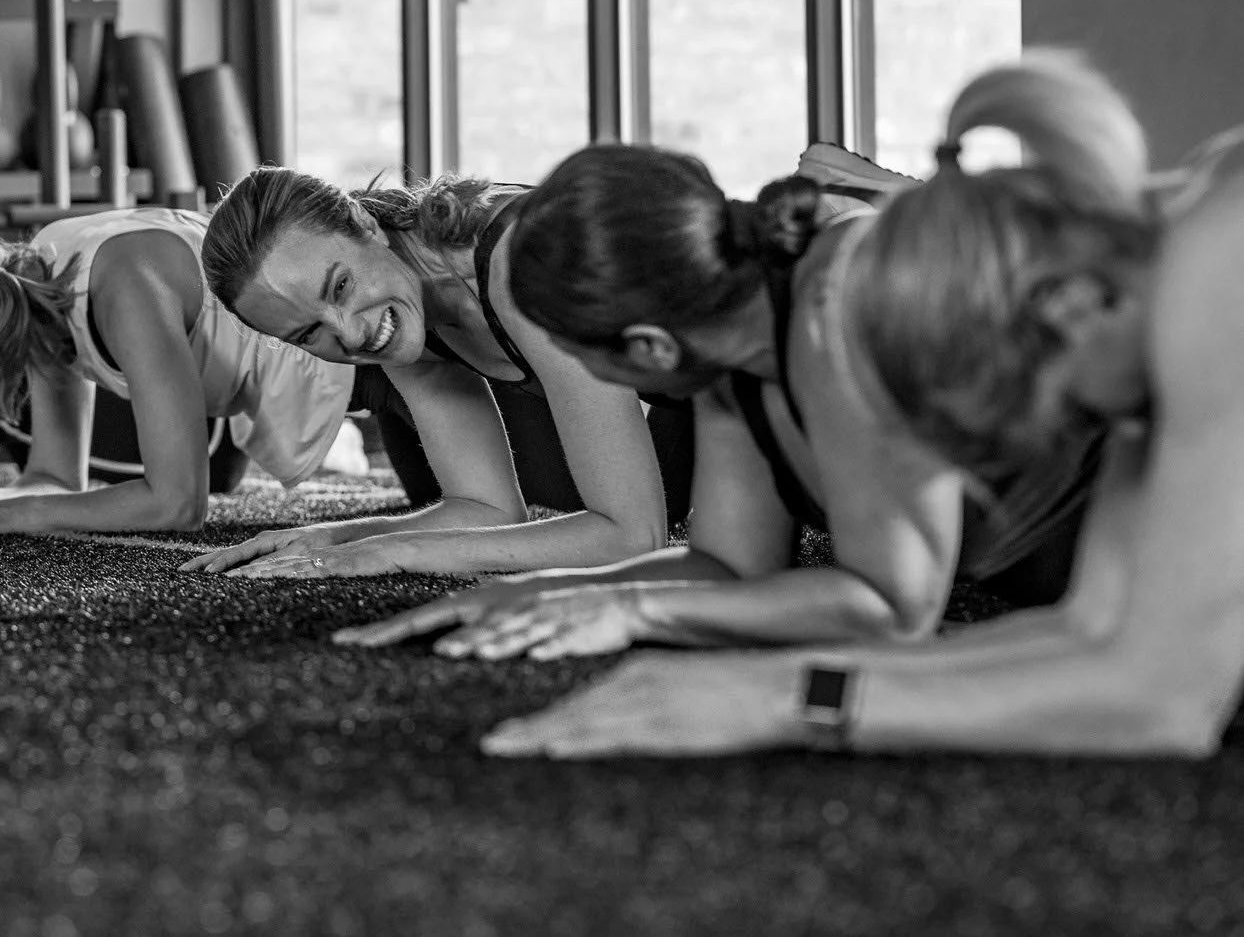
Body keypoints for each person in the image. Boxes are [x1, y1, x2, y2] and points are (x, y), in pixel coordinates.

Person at [484, 54, 1244, 757]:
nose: (1080, 430)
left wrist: (788, 700)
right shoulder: (1155, 275)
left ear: (1072, 305)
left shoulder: (1213, 262)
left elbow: (1165, 699)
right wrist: (772, 682)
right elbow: (1091, 627)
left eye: (1061, 406)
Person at [344, 141, 1099, 660]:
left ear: (647, 349)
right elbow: (732, 569)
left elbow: (892, 608)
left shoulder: (833, 310)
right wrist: (540, 589)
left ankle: (906, 206)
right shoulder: (727, 353)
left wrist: (632, 611)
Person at [180, 169, 693, 580]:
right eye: (309, 334)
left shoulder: (522, 262)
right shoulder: (402, 309)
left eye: (339, 287)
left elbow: (631, 535)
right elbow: (485, 507)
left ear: (364, 224)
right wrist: (341, 539)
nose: (351, 335)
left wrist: (396, 553)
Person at [0, 206, 357, 536]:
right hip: (330, 371)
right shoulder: (34, 283)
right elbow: (53, 475)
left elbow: (178, 504)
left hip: (368, 369)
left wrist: (13, 515)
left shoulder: (116, 286)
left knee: (434, 521)